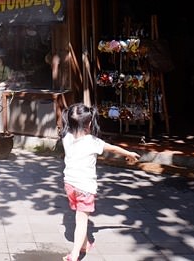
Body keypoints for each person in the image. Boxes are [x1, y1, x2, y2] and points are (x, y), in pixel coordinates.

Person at [60, 103, 140, 261]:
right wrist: (129, 154)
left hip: (69, 184)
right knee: (82, 221)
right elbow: (113, 148)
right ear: (89, 123)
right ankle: (75, 254)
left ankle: (84, 245)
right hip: (85, 187)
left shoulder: (66, 137)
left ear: (69, 121)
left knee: (79, 215)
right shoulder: (92, 142)